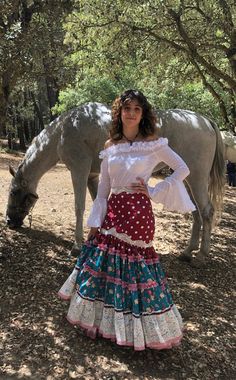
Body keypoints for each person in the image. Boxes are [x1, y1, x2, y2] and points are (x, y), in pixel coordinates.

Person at [58, 89, 196, 351]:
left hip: (138, 213)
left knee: (133, 270)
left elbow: (183, 168)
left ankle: (140, 331)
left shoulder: (153, 143)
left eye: (136, 109)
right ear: (119, 112)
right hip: (113, 210)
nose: (131, 114)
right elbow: (104, 186)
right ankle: (105, 324)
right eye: (127, 108)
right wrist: (95, 221)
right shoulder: (111, 146)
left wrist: (155, 191)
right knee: (106, 266)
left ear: (142, 114)